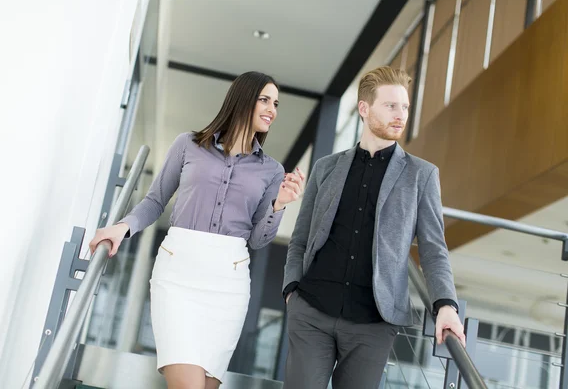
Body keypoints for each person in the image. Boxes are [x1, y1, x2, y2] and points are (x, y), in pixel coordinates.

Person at [89, 71, 305, 389]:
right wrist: (122, 228)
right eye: (264, 99)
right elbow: (155, 200)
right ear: (242, 99)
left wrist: (279, 204)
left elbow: (259, 240)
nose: (272, 108)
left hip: (228, 285)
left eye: (275, 103)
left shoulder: (271, 170)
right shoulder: (188, 144)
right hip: (178, 274)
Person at [281, 66, 465, 389]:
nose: (401, 115)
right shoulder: (326, 168)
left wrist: (446, 306)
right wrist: (291, 289)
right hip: (311, 311)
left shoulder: (421, 176)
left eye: (405, 107)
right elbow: (300, 239)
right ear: (364, 109)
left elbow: (434, 250)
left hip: (373, 325)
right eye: (391, 106)